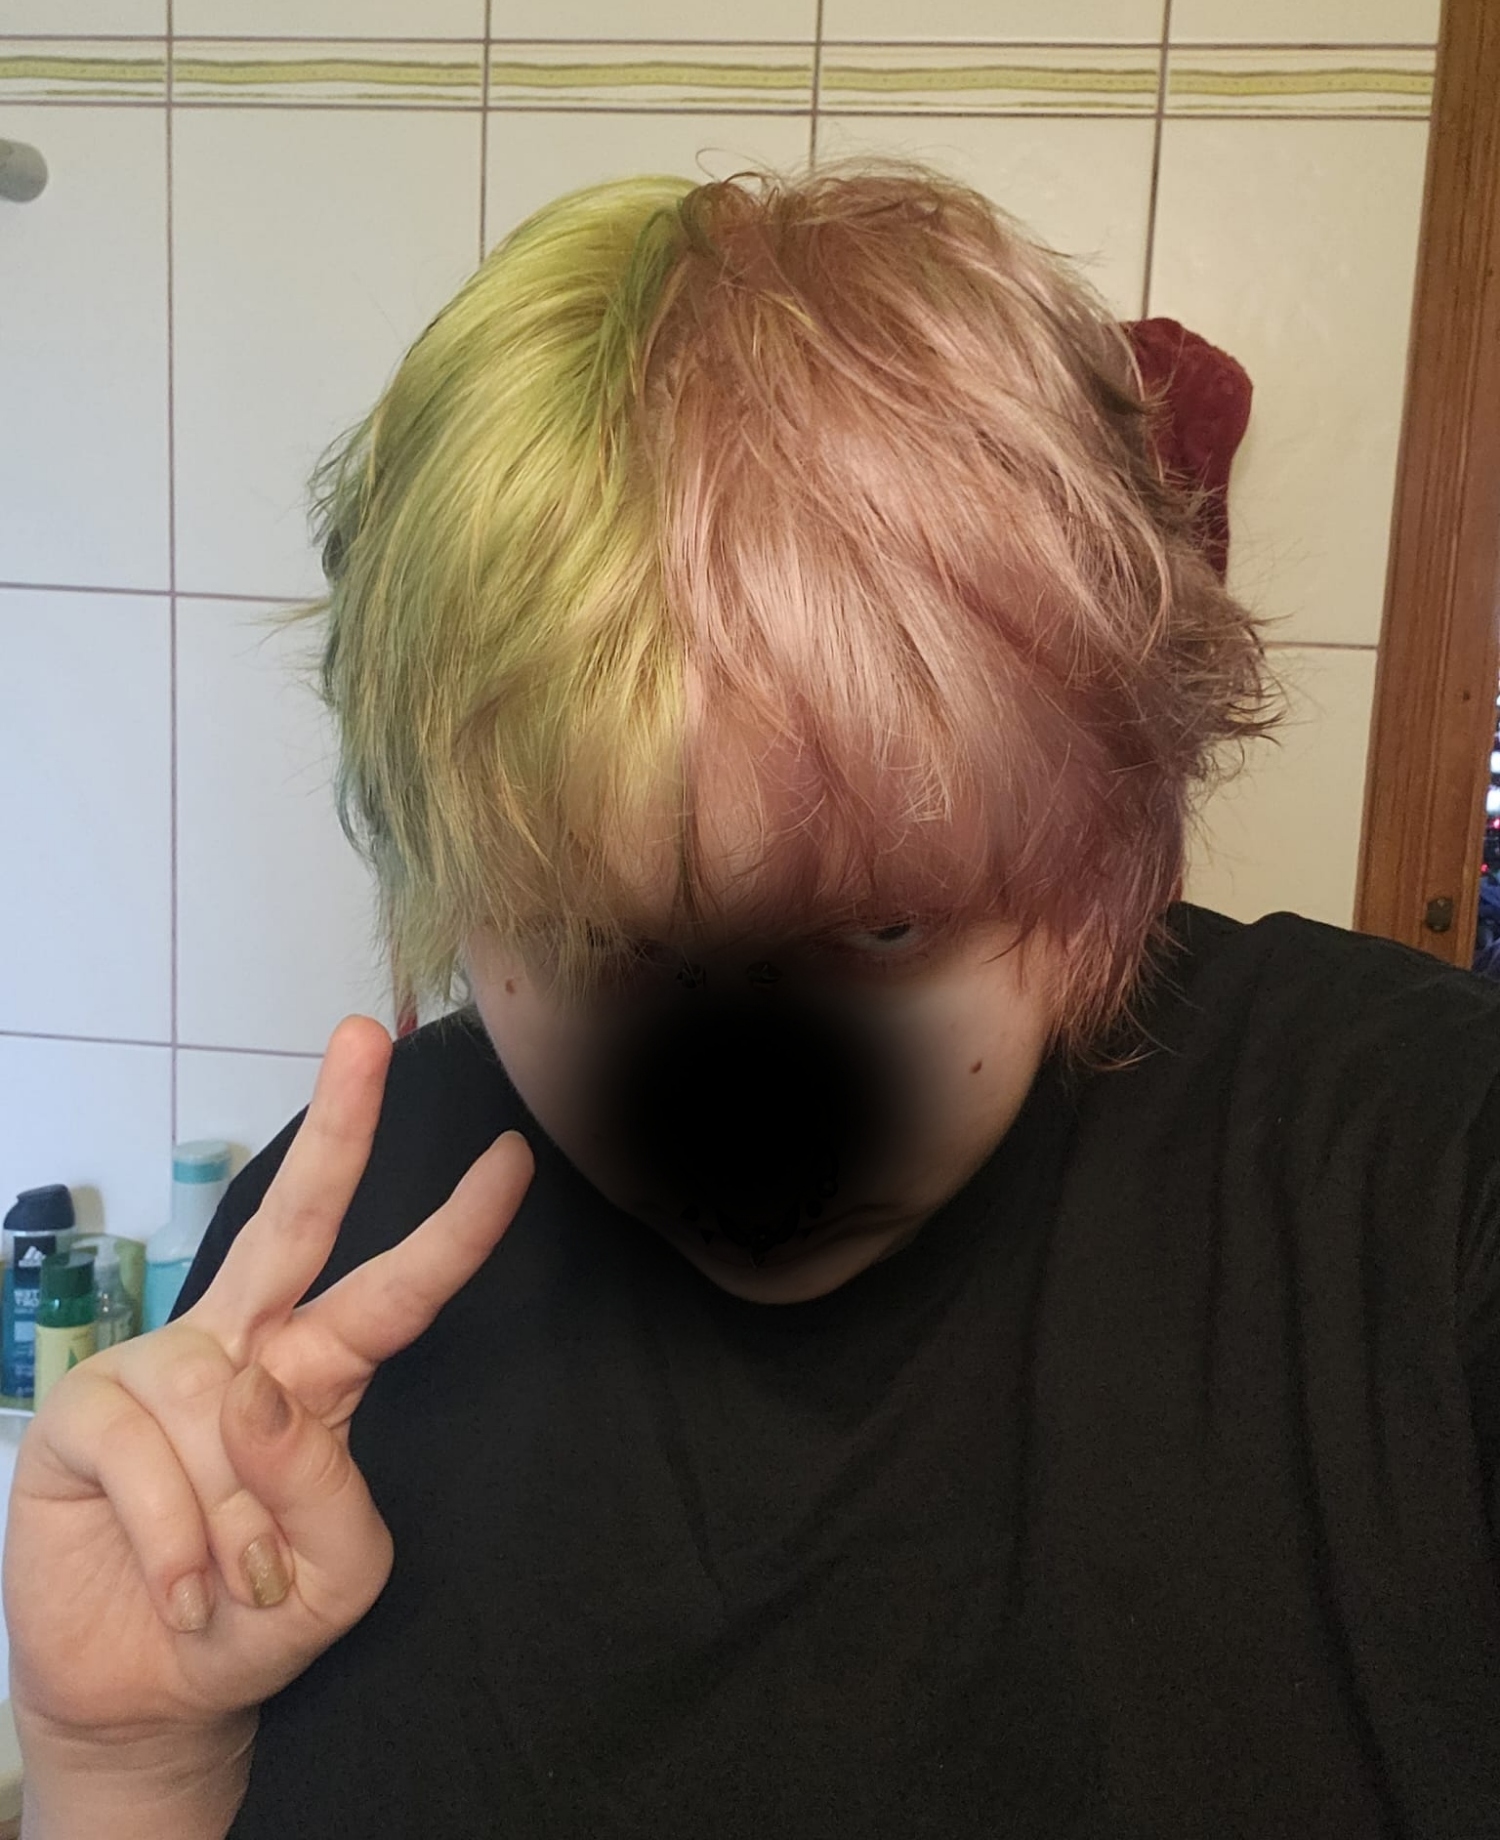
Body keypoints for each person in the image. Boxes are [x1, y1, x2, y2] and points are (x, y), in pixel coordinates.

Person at [5, 162, 1500, 1840]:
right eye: (603, 941)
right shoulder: (336, 1249)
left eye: (880, 927)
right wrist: (130, 1767)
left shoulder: (1419, 1184)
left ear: (1098, 838)